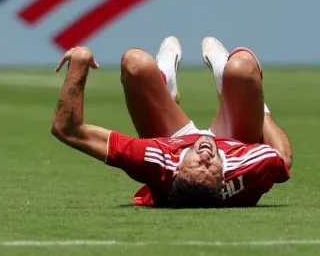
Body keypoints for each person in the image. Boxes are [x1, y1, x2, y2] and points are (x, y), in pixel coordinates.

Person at [51, 36, 292, 207]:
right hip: (234, 141)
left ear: (176, 170)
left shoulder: (157, 161)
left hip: (173, 140)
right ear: (223, 177)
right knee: (242, 66)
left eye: (197, 165)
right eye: (209, 167)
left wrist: (79, 63)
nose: (205, 157)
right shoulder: (247, 167)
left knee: (135, 64)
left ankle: (164, 84)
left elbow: (68, 130)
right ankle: (227, 89)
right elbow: (283, 158)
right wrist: (260, 110)